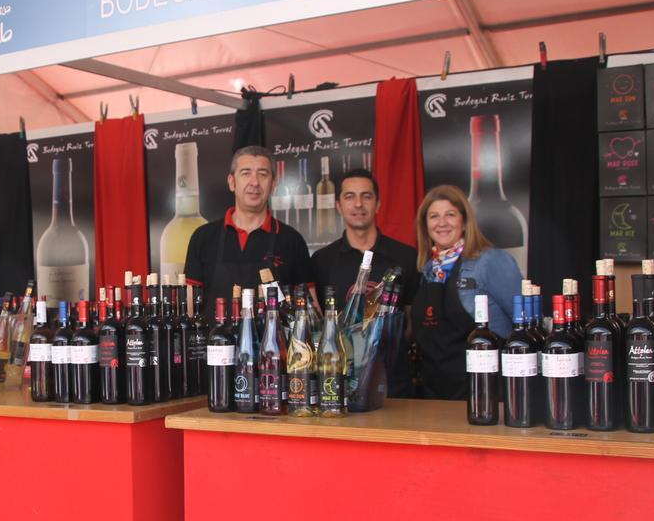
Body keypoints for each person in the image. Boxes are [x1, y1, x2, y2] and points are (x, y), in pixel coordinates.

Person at [310, 168, 419, 397]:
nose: (358, 204)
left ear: (378, 204)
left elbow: (411, 323)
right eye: (350, 196)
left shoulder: (406, 257)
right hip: (340, 385)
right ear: (338, 206)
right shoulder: (322, 261)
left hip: (394, 384)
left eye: (366, 196)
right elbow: (320, 325)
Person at [410, 185, 521, 399]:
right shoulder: (427, 270)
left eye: (450, 215)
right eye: (434, 216)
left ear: (465, 220)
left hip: (484, 391)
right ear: (425, 226)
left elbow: (523, 324)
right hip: (435, 394)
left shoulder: (490, 261)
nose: (442, 223)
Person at [184, 145, 313, 316]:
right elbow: (190, 307)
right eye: (246, 173)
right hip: (214, 342)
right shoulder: (203, 237)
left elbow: (310, 310)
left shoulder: (292, 240)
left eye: (263, 174)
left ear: (273, 184)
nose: (255, 182)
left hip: (272, 343)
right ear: (232, 182)